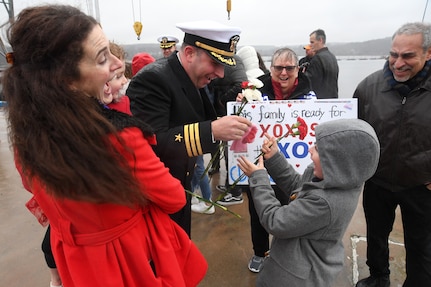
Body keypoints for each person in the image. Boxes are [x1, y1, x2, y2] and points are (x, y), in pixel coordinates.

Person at [3, 5, 207, 287]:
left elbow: (36, 190)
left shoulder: (26, 137)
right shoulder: (121, 138)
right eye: (102, 59)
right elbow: (174, 197)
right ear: (66, 79)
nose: (116, 64)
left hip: (78, 263)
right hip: (129, 264)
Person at [127, 20, 252, 236]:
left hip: (179, 187)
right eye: (215, 63)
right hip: (156, 198)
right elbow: (150, 144)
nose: (220, 74)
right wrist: (212, 131)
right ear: (189, 53)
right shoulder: (153, 79)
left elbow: (201, 114)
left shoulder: (189, 76)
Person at [237, 119, 380, 287]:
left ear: (337, 163)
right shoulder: (339, 179)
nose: (310, 150)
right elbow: (297, 188)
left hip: (296, 278)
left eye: (318, 149)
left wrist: (259, 179)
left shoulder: (325, 202)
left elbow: (276, 221)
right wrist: (275, 158)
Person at [353, 22, 431, 287]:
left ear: (428, 53)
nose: (398, 63)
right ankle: (378, 277)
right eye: (393, 54)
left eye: (408, 56)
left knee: (422, 246)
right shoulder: (368, 88)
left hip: (422, 185)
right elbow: (352, 132)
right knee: (376, 236)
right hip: (378, 181)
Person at [239, 47, 317, 273]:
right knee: (258, 210)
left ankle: (287, 253)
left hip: (291, 167)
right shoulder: (254, 91)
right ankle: (260, 252)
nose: (283, 73)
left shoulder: (309, 94)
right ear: (270, 68)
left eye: (289, 68)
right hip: (260, 164)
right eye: (278, 68)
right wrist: (240, 104)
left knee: (292, 211)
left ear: (297, 69)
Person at [307, 29, 339, 98]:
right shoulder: (332, 57)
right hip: (334, 100)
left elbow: (310, 83)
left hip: (320, 102)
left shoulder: (317, 59)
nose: (310, 45)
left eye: (312, 42)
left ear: (320, 40)